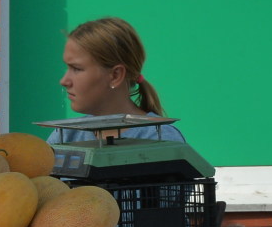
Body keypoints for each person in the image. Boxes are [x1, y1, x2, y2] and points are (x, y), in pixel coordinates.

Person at [49, 17, 185, 144]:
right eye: (67, 68)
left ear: (115, 75)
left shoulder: (160, 139)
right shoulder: (65, 135)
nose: (64, 81)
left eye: (76, 69)